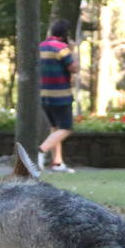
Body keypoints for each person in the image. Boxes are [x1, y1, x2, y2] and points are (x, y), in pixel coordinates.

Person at [37, 19, 78, 173]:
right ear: (65, 34)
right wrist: (73, 50)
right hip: (60, 95)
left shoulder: (40, 46)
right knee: (66, 128)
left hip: (44, 94)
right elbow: (74, 68)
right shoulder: (62, 48)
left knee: (55, 128)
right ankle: (39, 152)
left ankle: (57, 163)